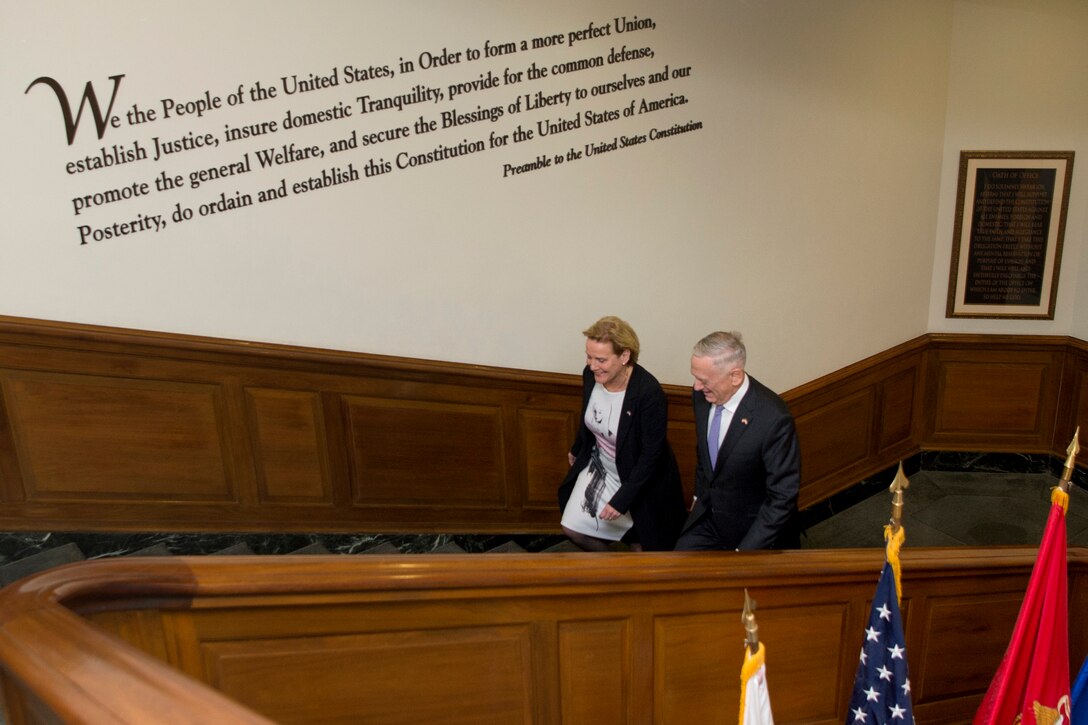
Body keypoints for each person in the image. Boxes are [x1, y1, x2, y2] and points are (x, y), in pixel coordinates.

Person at [558, 316, 686, 551]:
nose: (592, 365)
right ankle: (612, 571)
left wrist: (622, 499)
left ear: (625, 356)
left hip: (639, 478)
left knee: (644, 546)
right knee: (573, 527)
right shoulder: (591, 375)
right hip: (601, 468)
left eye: (601, 359)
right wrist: (578, 448)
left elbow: (651, 455)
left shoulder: (648, 393)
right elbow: (589, 416)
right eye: (589, 356)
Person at [675, 331, 801, 551]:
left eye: (703, 380)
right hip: (709, 518)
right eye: (694, 377)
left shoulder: (773, 419)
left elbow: (782, 497)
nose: (695, 387)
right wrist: (698, 496)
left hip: (753, 529)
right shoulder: (702, 397)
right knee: (677, 573)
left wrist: (745, 552)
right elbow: (703, 453)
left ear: (734, 376)